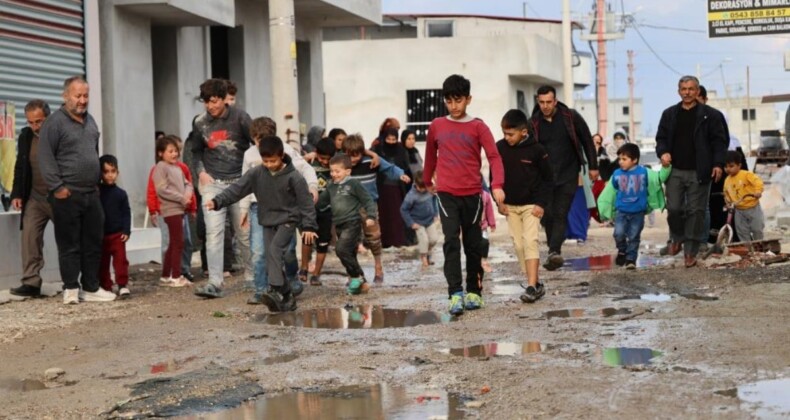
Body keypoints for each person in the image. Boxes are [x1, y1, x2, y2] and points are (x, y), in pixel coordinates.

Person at [423, 74, 505, 316]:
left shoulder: (478, 126)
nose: (454, 106)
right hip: (446, 192)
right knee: (450, 241)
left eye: (458, 100)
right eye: (449, 101)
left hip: (473, 193)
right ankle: (454, 293)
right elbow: (430, 156)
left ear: (468, 99)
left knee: (473, 244)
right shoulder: (437, 125)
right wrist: (428, 180)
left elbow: (494, 156)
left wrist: (497, 184)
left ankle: (474, 291)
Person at [207, 136, 318, 312]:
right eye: (265, 161)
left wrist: (309, 227)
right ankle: (287, 295)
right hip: (267, 220)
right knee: (270, 257)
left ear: (281, 156)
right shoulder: (256, 173)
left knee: (275, 250)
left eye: (272, 161)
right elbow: (238, 189)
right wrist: (217, 201)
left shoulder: (294, 177)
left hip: (288, 220)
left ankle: (274, 289)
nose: (269, 164)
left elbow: (306, 203)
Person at [38, 76, 116, 304]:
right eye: (77, 95)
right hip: (66, 194)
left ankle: (91, 287)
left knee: (93, 241)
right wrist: (58, 188)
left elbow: (93, 151)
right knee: (69, 243)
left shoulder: (90, 121)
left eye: (85, 95)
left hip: (91, 193)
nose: (82, 100)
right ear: (65, 96)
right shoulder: (54, 123)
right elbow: (46, 158)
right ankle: (71, 288)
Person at [243, 116, 318, 305]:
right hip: (258, 206)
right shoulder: (249, 155)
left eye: (264, 139)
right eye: (257, 140)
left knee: (287, 251)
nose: (261, 144)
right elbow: (244, 183)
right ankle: (262, 289)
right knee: (260, 251)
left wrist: (313, 187)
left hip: (284, 208)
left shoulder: (286, 150)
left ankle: (291, 278)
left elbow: (306, 168)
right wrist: (243, 209)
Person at [190, 78, 253, 298]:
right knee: (214, 233)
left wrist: (252, 175)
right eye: (206, 102)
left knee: (244, 233)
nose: (210, 106)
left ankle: (253, 278)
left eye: (214, 101)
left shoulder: (240, 117)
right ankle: (214, 282)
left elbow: (257, 143)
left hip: (240, 184)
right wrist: (201, 172)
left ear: (224, 99)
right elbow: (195, 150)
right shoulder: (200, 123)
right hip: (212, 184)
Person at [656, 75, 728, 268]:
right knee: (675, 209)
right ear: (678, 91)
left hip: (700, 171)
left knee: (696, 212)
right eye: (683, 89)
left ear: (698, 92)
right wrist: (663, 153)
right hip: (675, 171)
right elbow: (661, 138)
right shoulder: (669, 114)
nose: (687, 92)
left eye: (691, 89)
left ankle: (690, 252)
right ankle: (678, 238)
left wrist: (718, 164)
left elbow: (719, 142)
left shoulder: (710, 115)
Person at [529, 85, 598, 271]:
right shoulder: (533, 123)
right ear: (538, 101)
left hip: (568, 173)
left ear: (555, 101)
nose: (545, 106)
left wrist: (593, 166)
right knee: (548, 214)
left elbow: (587, 140)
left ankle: (554, 251)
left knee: (561, 212)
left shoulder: (571, 117)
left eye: (548, 102)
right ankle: (553, 249)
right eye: (541, 102)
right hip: (545, 178)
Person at [497, 109, 553, 304]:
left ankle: (530, 287)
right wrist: (499, 201)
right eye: (504, 133)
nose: (506, 137)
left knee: (530, 241)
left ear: (523, 132)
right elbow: (495, 177)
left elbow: (548, 179)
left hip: (532, 206)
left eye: (510, 134)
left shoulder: (537, 150)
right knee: (518, 244)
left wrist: (541, 204)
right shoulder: (500, 148)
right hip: (510, 206)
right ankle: (536, 284)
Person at [344, 133, 410, 283]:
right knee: (350, 240)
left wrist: (401, 175)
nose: (353, 159)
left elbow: (389, 168)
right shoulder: (343, 163)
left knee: (374, 237)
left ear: (362, 152)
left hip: (369, 207)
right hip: (349, 207)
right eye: (350, 156)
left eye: (356, 155)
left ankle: (378, 267)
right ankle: (353, 273)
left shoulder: (370, 161)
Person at [597, 143, 670, 269]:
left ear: (635, 160)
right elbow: (609, 192)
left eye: (624, 159)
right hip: (621, 212)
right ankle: (622, 250)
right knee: (618, 234)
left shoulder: (645, 172)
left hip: (638, 212)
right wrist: (604, 208)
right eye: (619, 158)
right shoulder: (616, 174)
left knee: (634, 236)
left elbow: (658, 179)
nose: (620, 162)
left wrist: (666, 167)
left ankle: (631, 259)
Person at [9, 100, 53, 298]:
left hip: (58, 196)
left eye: (39, 121)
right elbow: (20, 165)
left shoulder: (57, 134)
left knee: (69, 240)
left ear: (48, 118)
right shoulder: (26, 136)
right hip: (34, 197)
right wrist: (17, 193)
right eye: (31, 122)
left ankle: (75, 282)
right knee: (29, 238)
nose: (35, 126)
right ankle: (31, 282)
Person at [316, 154, 377, 295]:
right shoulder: (331, 186)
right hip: (338, 225)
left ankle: (357, 277)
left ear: (348, 171)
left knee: (341, 249)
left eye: (337, 171)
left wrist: (371, 216)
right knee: (349, 253)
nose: (333, 174)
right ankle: (362, 284)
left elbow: (367, 200)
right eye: (331, 171)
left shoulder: (353, 184)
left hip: (353, 222)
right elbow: (321, 203)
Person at [147, 136, 197, 281]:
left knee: (177, 242)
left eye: (176, 151)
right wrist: (182, 198)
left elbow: (188, 184)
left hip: (180, 209)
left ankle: (166, 275)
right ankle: (176, 276)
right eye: (170, 151)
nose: (175, 154)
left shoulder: (178, 168)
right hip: (170, 210)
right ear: (160, 153)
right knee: (177, 242)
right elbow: (161, 189)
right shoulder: (160, 168)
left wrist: (188, 198)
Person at [300, 138, 335, 286]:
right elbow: (294, 165)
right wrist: (305, 157)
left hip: (327, 211)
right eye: (322, 158)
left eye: (328, 159)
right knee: (307, 238)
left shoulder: (336, 164)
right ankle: (303, 268)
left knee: (323, 243)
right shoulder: (309, 163)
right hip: (309, 210)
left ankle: (316, 274)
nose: (325, 162)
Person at [371, 127, 412, 248]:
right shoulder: (378, 150)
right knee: (384, 216)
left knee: (397, 217)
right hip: (381, 188)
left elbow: (406, 168)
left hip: (398, 189)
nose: (391, 142)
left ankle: (398, 242)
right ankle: (384, 242)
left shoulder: (401, 151)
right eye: (389, 139)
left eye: (394, 139)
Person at [98, 155, 131, 298]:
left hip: (117, 235)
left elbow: (126, 213)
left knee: (121, 261)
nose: (109, 175)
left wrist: (126, 230)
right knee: (102, 262)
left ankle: (122, 285)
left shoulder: (121, 194)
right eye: (105, 172)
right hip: (101, 235)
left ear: (117, 172)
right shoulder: (97, 193)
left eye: (112, 171)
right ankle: (106, 286)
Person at [400, 170, 439, 269]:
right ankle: (424, 259)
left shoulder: (430, 190)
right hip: (418, 222)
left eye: (424, 187)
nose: (422, 190)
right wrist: (411, 223)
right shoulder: (411, 196)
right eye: (420, 188)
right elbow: (403, 209)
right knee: (424, 240)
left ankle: (428, 252)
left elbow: (435, 199)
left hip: (429, 219)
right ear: (415, 184)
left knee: (434, 239)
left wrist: (435, 213)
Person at [723, 150, 764, 241]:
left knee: (757, 229)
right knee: (742, 231)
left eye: (731, 166)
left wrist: (758, 191)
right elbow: (726, 193)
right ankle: (747, 250)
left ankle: (760, 247)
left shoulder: (746, 174)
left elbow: (757, 182)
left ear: (739, 165)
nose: (728, 169)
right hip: (739, 210)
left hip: (753, 207)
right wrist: (728, 202)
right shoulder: (727, 180)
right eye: (725, 166)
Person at [479, 188, 496, 273]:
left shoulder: (485, 196)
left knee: (485, 242)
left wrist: (492, 224)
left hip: (483, 225)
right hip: (471, 226)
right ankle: (475, 263)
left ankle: (484, 260)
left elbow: (489, 211)